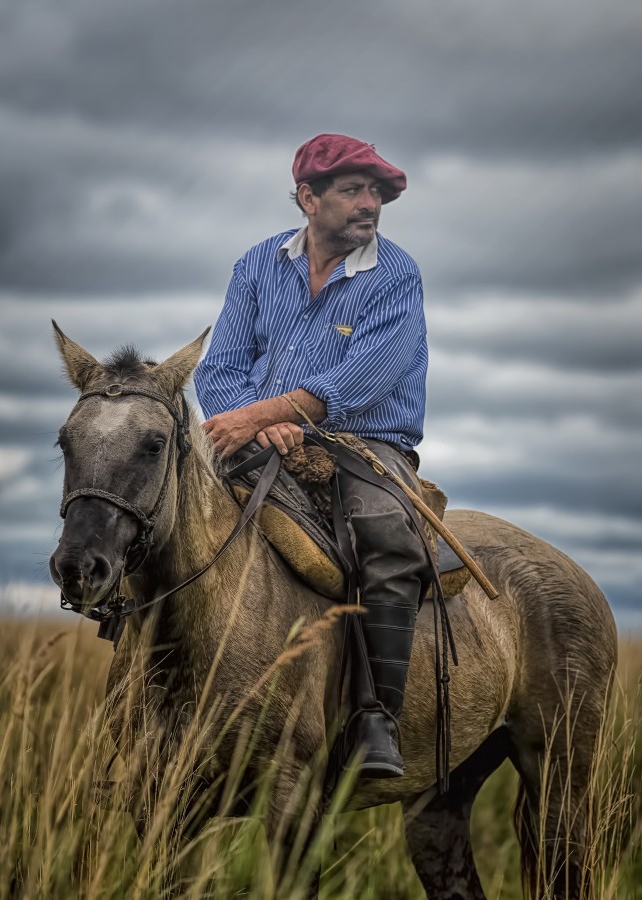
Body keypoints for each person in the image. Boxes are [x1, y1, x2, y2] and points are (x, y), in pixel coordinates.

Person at [194, 133, 430, 778]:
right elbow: (220, 368)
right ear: (308, 197)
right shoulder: (258, 262)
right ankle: (146, 691)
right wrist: (249, 422)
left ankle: (375, 718)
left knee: (384, 538)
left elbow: (363, 380)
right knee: (168, 512)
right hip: (256, 432)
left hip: (365, 440)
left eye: (377, 192)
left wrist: (266, 413)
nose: (370, 203)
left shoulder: (395, 274)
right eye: (353, 190)